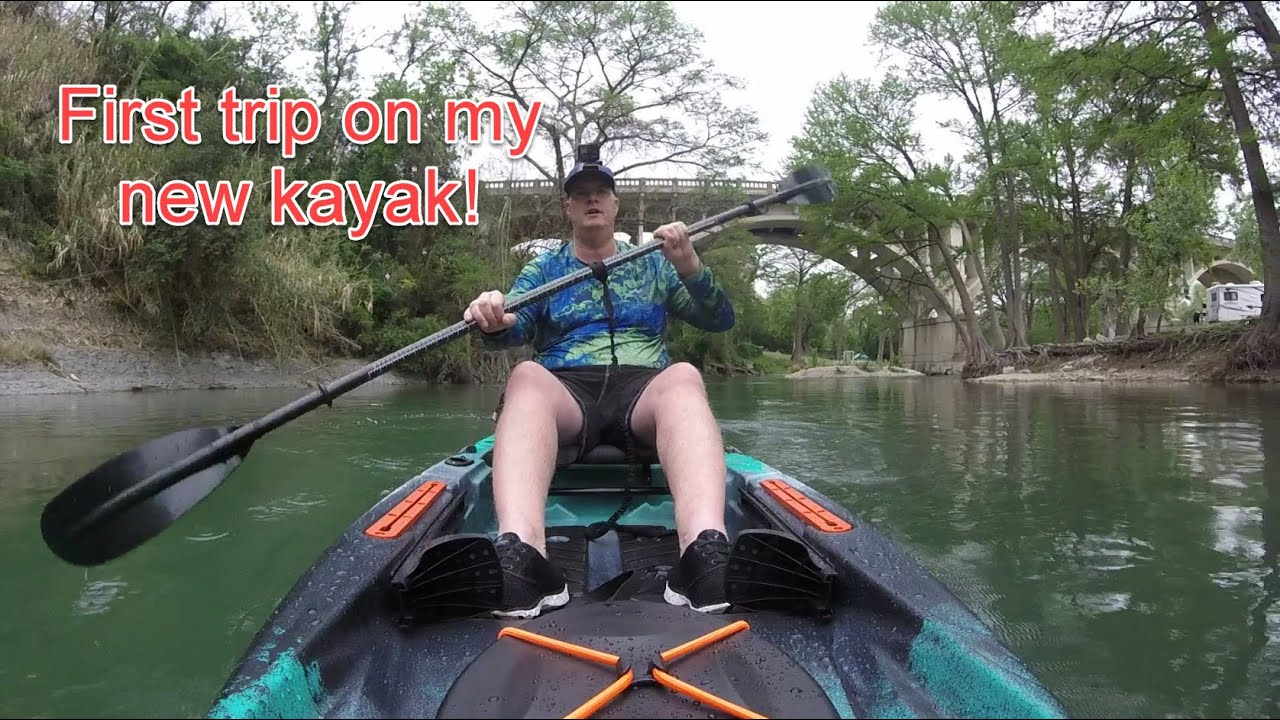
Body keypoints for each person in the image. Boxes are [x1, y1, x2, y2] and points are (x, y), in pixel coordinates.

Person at [463, 146, 737, 619]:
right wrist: (489, 319)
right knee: (526, 374)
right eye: (581, 195)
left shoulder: (653, 262)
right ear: (567, 209)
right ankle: (523, 559)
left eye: (601, 193)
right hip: (568, 391)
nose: (592, 200)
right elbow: (510, 329)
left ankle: (705, 554)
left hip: (644, 391)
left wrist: (691, 266)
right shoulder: (544, 271)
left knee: (685, 376)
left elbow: (719, 319)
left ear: (614, 206)